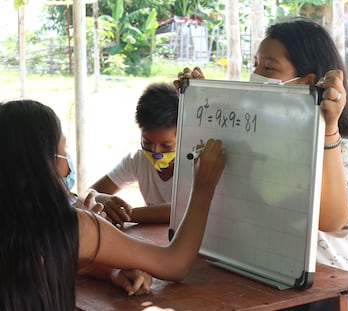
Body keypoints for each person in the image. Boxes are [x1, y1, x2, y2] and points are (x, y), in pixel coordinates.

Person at [174, 17, 348, 311]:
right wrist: (198, 100)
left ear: (307, 82)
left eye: (269, 68)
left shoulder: (345, 149)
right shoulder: (259, 139)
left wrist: (329, 128)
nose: (256, 75)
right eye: (256, 65)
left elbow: (334, 220)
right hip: (270, 287)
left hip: (330, 298)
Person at [0, 99, 224, 311]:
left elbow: (40, 262)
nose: (67, 158)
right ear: (46, 160)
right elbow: (175, 263)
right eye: (64, 149)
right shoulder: (73, 225)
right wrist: (203, 187)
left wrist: (111, 271)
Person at [90, 82, 178, 226]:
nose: (156, 152)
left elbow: (179, 211)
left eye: (166, 146)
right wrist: (101, 198)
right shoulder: (138, 160)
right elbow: (88, 193)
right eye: (147, 142)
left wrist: (124, 214)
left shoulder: (196, 165)